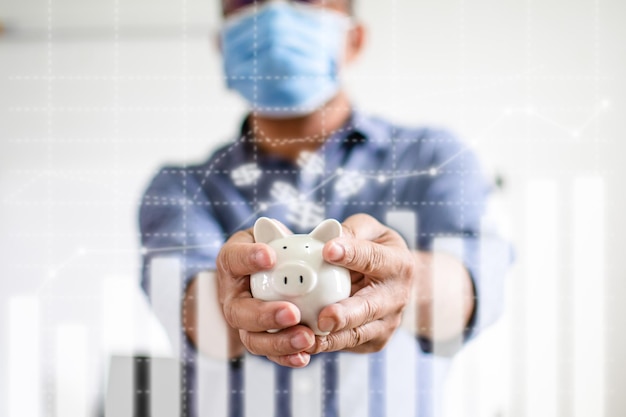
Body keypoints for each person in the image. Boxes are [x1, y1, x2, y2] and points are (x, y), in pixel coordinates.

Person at [139, 0, 512, 416]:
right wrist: (233, 300)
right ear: (222, 44)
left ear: (354, 39)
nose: (275, 14)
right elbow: (196, 317)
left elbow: (474, 286)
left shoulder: (434, 158)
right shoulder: (181, 188)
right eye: (247, 2)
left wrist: (402, 282)